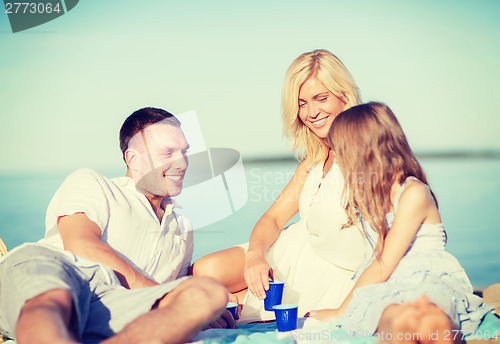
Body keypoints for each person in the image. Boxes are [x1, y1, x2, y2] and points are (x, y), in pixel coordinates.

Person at [0, 107, 234, 344]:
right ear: (133, 159)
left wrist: (187, 306)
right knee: (55, 296)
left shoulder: (182, 228)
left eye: (184, 152)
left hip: (113, 305)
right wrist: (166, 297)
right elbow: (80, 244)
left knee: (207, 294)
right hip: (59, 271)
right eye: (168, 153)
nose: (182, 163)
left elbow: (171, 292)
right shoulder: (94, 184)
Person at [193, 49, 366, 323]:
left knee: (211, 298)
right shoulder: (314, 160)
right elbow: (273, 218)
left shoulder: (369, 157)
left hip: (328, 269)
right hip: (292, 248)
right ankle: (233, 304)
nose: (312, 112)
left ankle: (234, 307)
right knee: (204, 272)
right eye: (302, 103)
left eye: (321, 98)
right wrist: (254, 256)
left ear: (345, 96)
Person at [306, 102, 494, 341]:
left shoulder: (413, 192)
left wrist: (340, 312)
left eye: (341, 151)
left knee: (432, 317)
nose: (338, 159)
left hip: (427, 277)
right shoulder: (369, 196)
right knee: (395, 319)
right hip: (388, 285)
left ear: (362, 151)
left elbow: (383, 263)